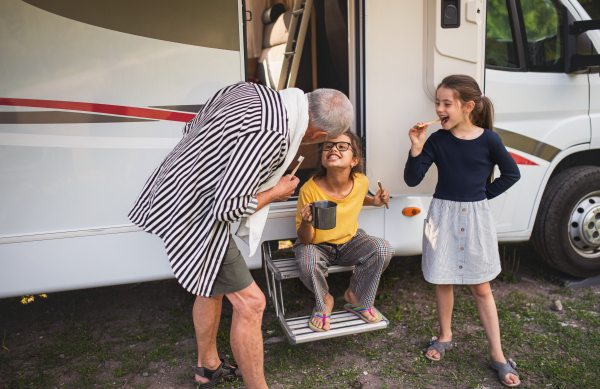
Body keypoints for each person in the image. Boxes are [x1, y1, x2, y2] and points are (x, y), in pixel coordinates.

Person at [128, 82, 354, 389]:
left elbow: (192, 128)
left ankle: (208, 368)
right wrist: (275, 192)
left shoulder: (248, 90)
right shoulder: (272, 135)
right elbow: (226, 207)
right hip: (196, 213)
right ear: (317, 135)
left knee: (211, 285)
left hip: (171, 190)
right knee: (252, 303)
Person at [404, 75, 521, 387]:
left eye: (446, 103)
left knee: (481, 287)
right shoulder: (437, 141)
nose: (439, 109)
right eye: (437, 103)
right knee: (442, 279)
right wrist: (416, 148)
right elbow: (413, 180)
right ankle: (444, 336)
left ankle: (497, 354)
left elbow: (512, 173)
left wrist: (482, 196)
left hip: (475, 219)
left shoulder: (489, 140)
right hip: (439, 217)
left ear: (468, 107)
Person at [293, 130, 394, 332]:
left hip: (349, 242)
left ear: (354, 160)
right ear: (323, 157)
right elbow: (305, 239)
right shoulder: (309, 190)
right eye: (328, 146)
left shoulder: (361, 181)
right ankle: (324, 300)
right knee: (308, 262)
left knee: (383, 249)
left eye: (342, 146)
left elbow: (357, 197)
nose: (333, 149)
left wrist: (375, 201)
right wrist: (306, 222)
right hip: (316, 245)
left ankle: (356, 297)